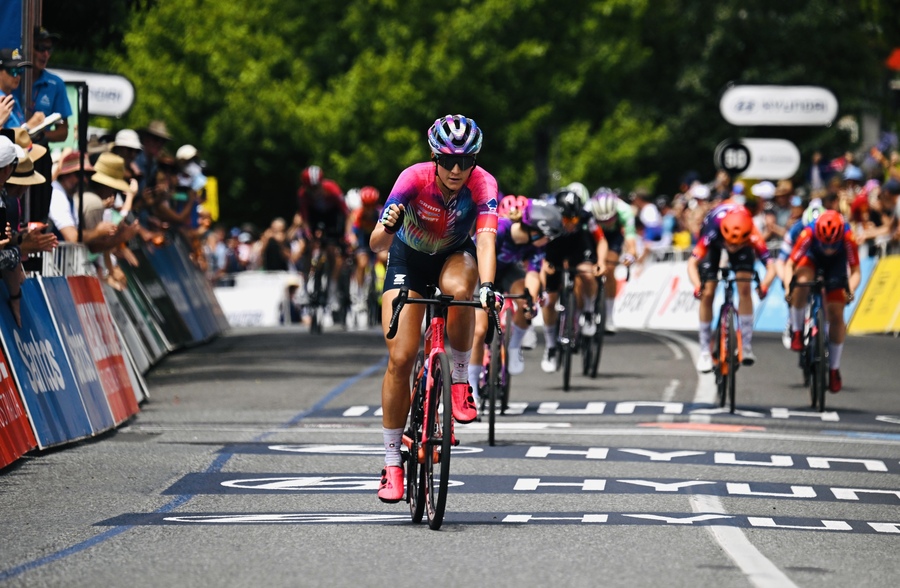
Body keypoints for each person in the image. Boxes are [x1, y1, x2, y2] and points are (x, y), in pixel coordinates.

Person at [369, 114, 499, 503]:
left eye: (466, 161)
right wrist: (389, 226)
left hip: (453, 256)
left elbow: (487, 239)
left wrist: (489, 286)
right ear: (434, 158)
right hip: (407, 260)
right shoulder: (412, 178)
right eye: (448, 161)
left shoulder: (483, 183)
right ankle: (392, 462)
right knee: (402, 357)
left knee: (463, 290)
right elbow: (377, 243)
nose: (457, 169)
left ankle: (460, 379)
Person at [469, 198, 563, 399]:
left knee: (526, 300)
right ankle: (471, 387)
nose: (548, 242)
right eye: (547, 237)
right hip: (480, 272)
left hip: (508, 271)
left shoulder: (536, 244)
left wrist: (530, 301)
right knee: (479, 331)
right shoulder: (500, 229)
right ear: (535, 231)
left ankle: (514, 346)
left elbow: (533, 274)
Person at [687, 204, 776, 373]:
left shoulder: (752, 234)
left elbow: (771, 266)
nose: (732, 247)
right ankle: (705, 351)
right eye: (731, 244)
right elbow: (692, 263)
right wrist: (697, 285)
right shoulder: (712, 230)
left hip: (742, 242)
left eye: (737, 244)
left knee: (744, 287)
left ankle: (747, 345)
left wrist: (764, 285)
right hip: (714, 244)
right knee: (708, 292)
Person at [783, 210, 861, 393]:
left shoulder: (849, 237)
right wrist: (789, 288)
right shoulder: (807, 234)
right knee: (801, 283)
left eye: (832, 244)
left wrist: (850, 290)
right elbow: (790, 265)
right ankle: (797, 331)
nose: (828, 248)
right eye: (825, 244)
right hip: (812, 259)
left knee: (836, 314)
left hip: (836, 265)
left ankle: (834, 369)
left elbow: (856, 271)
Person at [540, 188, 607, 372]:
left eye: (575, 220)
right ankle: (551, 346)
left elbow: (601, 240)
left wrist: (600, 262)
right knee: (549, 300)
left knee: (587, 272)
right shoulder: (547, 217)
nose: (571, 223)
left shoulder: (585, 216)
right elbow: (537, 245)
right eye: (567, 220)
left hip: (578, 246)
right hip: (554, 248)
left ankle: (588, 312)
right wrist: (543, 263)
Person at [586, 187, 636, 335]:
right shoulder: (587, 210)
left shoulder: (625, 211)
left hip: (614, 236)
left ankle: (609, 315)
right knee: (588, 269)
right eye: (603, 220)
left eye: (610, 219)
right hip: (592, 234)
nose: (606, 223)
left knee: (610, 266)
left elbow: (631, 242)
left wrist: (630, 256)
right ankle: (587, 309)